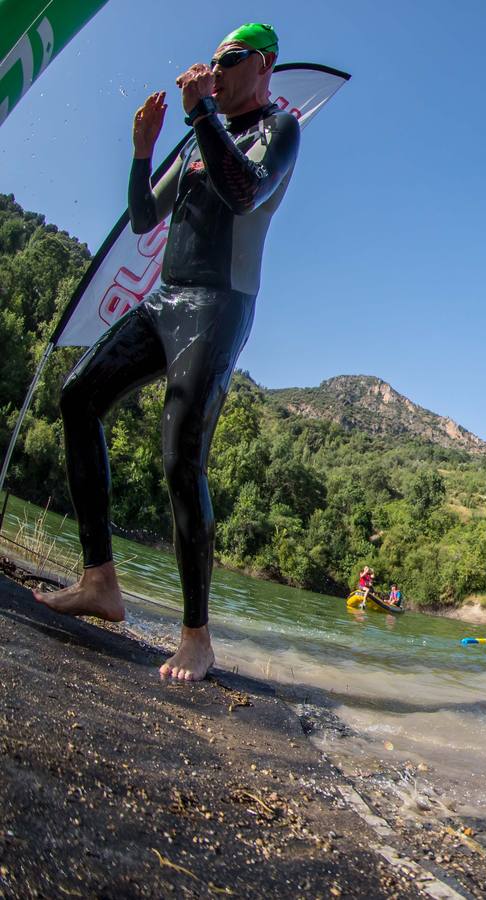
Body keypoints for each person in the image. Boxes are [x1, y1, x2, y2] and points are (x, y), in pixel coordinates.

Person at [34, 24, 299, 682]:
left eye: (227, 61)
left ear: (261, 65)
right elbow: (145, 220)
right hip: (166, 299)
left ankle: (197, 637)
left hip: (218, 304)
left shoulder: (279, 128)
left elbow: (245, 192)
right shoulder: (197, 135)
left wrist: (202, 110)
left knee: (181, 458)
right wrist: (142, 153)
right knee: (78, 397)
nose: (214, 70)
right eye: (210, 62)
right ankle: (100, 580)